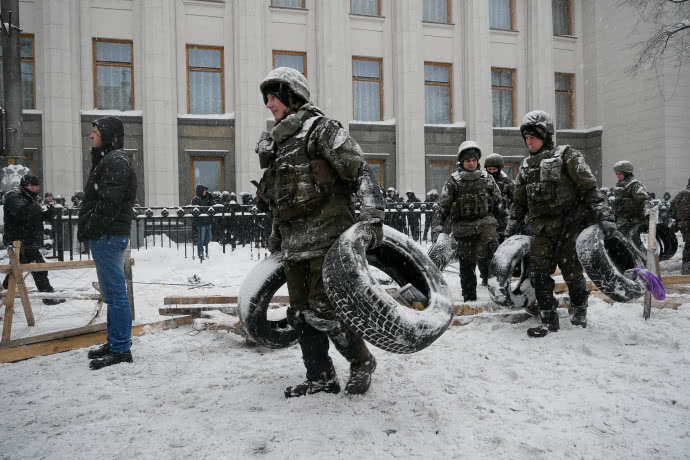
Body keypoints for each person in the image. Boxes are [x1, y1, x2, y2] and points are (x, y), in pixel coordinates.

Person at [254, 67, 385, 397]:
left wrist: (372, 217)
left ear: (292, 96)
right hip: (295, 245)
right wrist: (276, 236)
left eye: (273, 97)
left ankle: (361, 361)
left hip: (329, 240)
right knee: (301, 314)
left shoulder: (322, 130)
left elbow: (360, 170)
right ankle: (321, 377)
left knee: (325, 311)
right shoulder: (281, 143)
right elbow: (280, 197)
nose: (269, 104)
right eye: (267, 99)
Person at [505, 110, 615, 335]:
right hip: (541, 231)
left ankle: (579, 310)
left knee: (572, 272)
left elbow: (589, 188)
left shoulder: (567, 156)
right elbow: (519, 202)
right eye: (526, 138)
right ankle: (548, 317)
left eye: (533, 137)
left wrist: (604, 215)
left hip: (569, 226)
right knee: (538, 274)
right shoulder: (526, 167)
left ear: (545, 135)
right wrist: (510, 229)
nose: (529, 142)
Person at [78, 116, 137, 370]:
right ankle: (115, 342)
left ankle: (121, 348)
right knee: (112, 294)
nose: (91, 136)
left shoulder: (115, 161)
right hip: (106, 234)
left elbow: (109, 203)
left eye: (95, 132)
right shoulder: (110, 159)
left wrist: (91, 228)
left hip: (108, 236)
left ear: (107, 135)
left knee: (115, 294)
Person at [438, 141, 504, 301]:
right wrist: (438, 227)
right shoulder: (453, 181)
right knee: (467, 263)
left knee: (491, 253)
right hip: (463, 226)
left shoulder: (487, 179)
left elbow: (498, 203)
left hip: (485, 223)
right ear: (461, 162)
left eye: (474, 160)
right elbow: (443, 206)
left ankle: (499, 291)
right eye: (468, 160)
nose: (471, 163)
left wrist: (503, 225)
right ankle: (469, 296)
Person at [2, 174, 65, 305]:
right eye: (35, 186)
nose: (38, 188)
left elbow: (36, 216)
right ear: (27, 186)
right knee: (39, 268)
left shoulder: (30, 198)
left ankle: (6, 287)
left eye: (38, 186)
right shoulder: (14, 197)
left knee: (16, 267)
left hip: (27, 241)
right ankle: (47, 296)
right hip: (19, 241)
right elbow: (21, 213)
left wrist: (49, 212)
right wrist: (38, 207)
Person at [480, 153, 514, 285]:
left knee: (500, 252)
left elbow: (515, 200)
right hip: (486, 222)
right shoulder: (483, 182)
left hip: (501, 222)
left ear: (499, 169)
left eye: (494, 169)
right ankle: (485, 276)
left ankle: (498, 276)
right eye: (489, 169)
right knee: (483, 252)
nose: (492, 172)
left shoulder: (507, 183)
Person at [612, 160, 649, 248]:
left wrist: (647, 212)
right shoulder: (619, 186)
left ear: (626, 173)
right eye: (616, 173)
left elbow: (644, 200)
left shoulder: (634, 185)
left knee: (634, 244)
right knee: (622, 245)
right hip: (621, 222)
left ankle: (642, 259)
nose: (617, 176)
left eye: (619, 173)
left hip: (632, 221)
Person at [670, 178, 690, 274]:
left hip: (682, 224)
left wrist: (677, 221)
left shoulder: (680, 194)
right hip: (687, 223)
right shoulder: (688, 194)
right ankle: (687, 269)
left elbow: (672, 207)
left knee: (688, 245)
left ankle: (686, 268)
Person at [191, 184, 214, 262]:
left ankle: (206, 252)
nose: (205, 192)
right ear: (200, 191)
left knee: (207, 239)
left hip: (207, 222)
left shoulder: (206, 198)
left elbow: (211, 206)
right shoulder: (196, 199)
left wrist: (210, 197)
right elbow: (195, 211)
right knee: (200, 239)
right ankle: (200, 253)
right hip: (200, 223)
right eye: (204, 191)